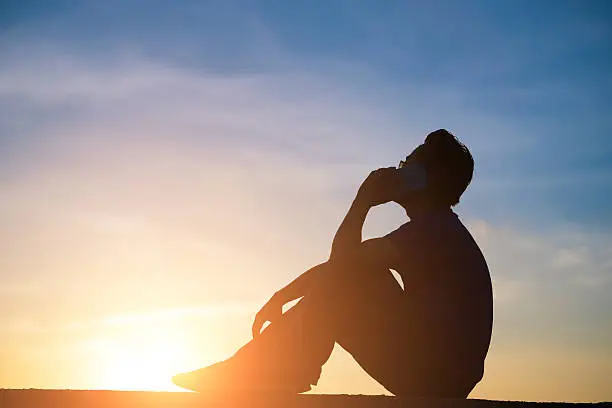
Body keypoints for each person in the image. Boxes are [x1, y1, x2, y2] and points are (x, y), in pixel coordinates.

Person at [172, 129, 493, 398]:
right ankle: (258, 367)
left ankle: (267, 370)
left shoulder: (434, 231)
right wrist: (283, 296)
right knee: (360, 275)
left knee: (353, 280)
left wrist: (363, 201)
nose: (398, 169)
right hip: (438, 372)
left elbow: (343, 265)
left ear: (423, 178)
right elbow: (348, 264)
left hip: (435, 376)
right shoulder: (435, 229)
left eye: (407, 164)